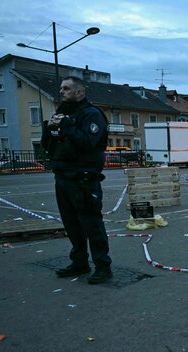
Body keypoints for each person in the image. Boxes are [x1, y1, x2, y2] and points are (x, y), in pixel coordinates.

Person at [41, 75, 113, 285]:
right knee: (71, 224)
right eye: (61, 88)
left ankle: (102, 266)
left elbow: (88, 143)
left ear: (79, 92)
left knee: (91, 223)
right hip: (63, 176)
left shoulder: (92, 115)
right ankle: (79, 262)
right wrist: (52, 128)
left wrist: (68, 125)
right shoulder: (62, 113)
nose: (61, 92)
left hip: (83, 178)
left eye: (66, 88)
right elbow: (47, 145)